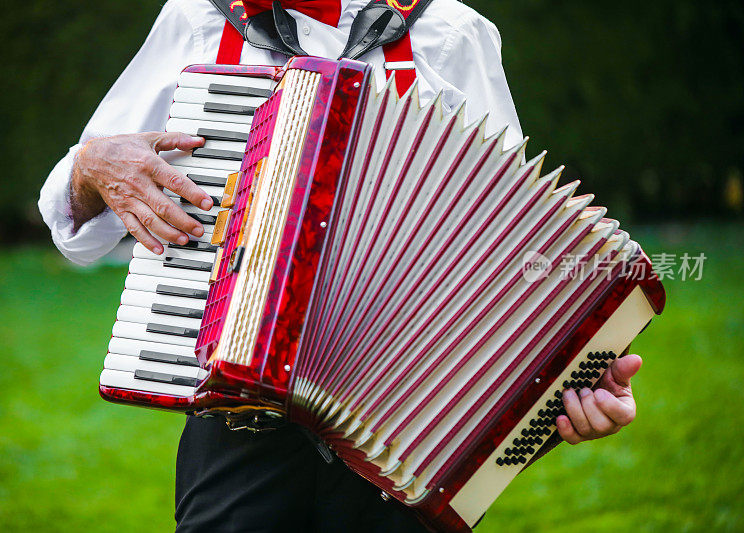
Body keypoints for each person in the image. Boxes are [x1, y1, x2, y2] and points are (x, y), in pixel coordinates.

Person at [39, 0, 643, 530]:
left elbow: (512, 245)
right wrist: (92, 165)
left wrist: (567, 386)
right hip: (233, 414)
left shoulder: (450, 34)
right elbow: (76, 231)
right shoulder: (199, 19)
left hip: (410, 429)